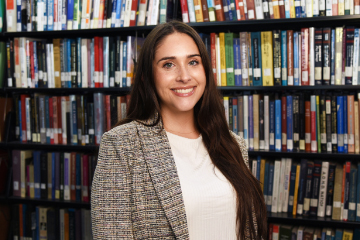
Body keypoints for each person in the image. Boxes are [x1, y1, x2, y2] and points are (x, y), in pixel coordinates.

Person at [91, 20, 267, 240]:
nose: (185, 76)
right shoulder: (122, 144)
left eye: (193, 62)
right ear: (147, 76)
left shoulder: (233, 144)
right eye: (168, 64)